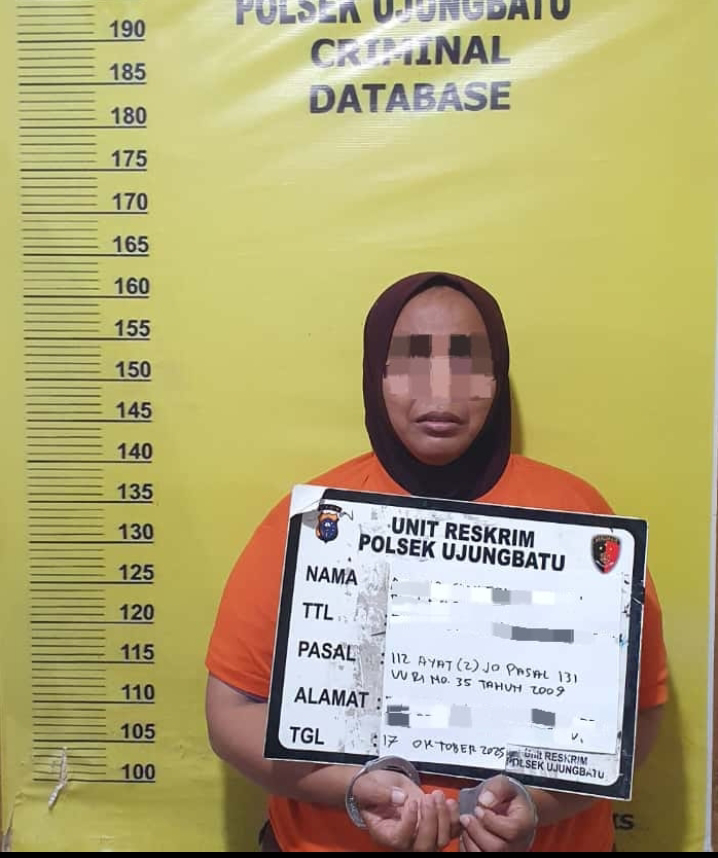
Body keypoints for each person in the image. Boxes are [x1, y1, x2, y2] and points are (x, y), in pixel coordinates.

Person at [205, 271, 667, 852]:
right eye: (411, 362)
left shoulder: (579, 520)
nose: (441, 393)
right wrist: (353, 789)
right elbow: (231, 711)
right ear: (376, 376)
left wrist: (537, 806)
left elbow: (637, 715)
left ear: (497, 377)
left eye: (467, 363)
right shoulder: (318, 523)